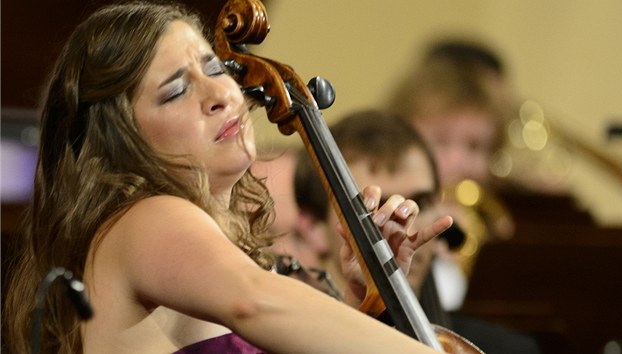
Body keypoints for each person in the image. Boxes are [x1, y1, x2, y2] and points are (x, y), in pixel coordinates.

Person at [2, 3, 453, 353]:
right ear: (119, 137)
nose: (221, 94)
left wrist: (370, 304)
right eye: (176, 91)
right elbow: (253, 300)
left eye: (215, 68)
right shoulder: (146, 218)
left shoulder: (200, 248)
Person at [293, 109, 540, 354]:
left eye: (420, 202)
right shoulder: (282, 343)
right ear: (312, 226)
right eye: (377, 209)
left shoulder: (507, 350)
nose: (405, 226)